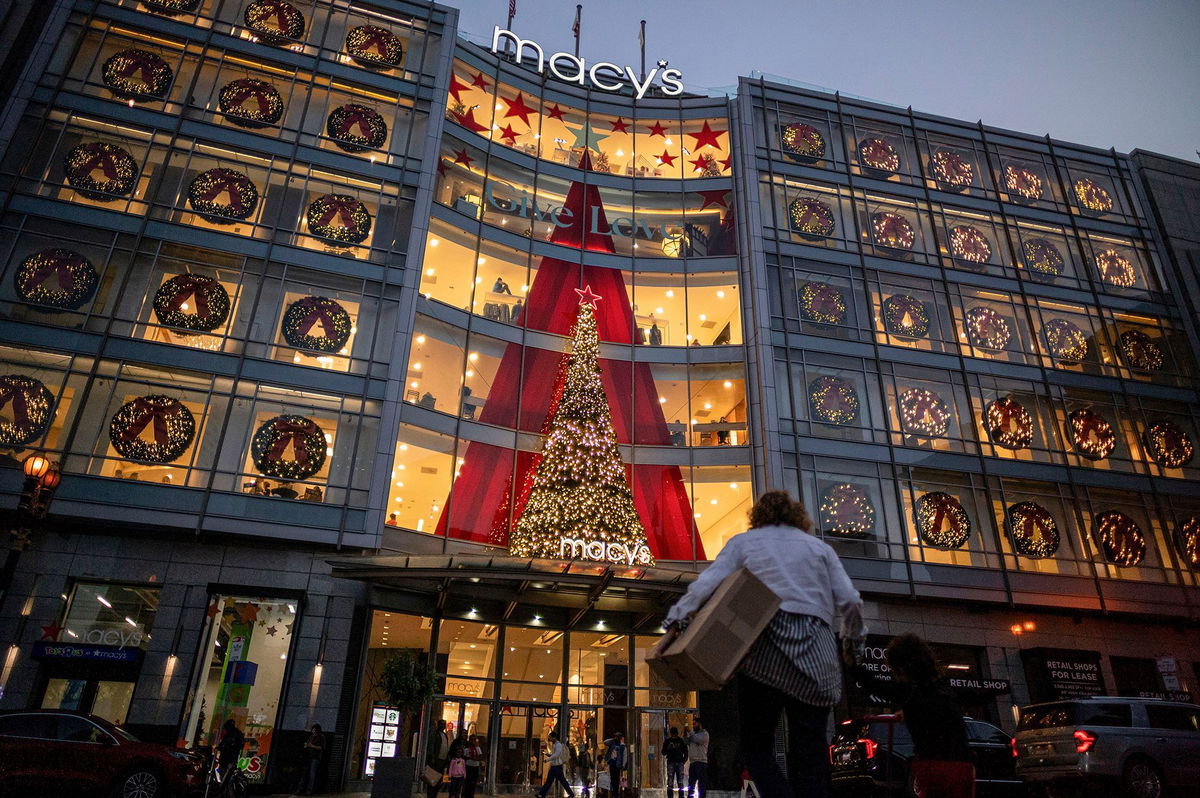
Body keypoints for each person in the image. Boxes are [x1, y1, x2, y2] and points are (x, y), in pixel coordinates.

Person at [663, 490, 865, 798]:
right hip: (817, 654)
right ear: (798, 516)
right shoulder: (819, 549)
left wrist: (676, 619)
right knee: (809, 755)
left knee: (757, 749)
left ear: (758, 517)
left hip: (764, 650)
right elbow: (851, 601)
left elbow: (708, 583)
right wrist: (854, 646)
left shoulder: (744, 543)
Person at [850, 634, 975, 798]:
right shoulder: (942, 688)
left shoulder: (912, 691)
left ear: (902, 668)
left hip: (933, 765)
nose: (894, 676)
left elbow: (876, 686)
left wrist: (852, 664)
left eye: (894, 670)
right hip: (964, 766)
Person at [538, 732, 575, 798]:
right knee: (550, 781)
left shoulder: (558, 745)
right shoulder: (555, 745)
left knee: (561, 781)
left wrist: (547, 760)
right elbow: (554, 755)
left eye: (550, 737)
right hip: (554, 766)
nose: (549, 738)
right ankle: (541, 794)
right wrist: (547, 754)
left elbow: (556, 755)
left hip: (557, 767)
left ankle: (571, 794)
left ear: (554, 737)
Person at [296, 723, 325, 795]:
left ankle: (308, 791)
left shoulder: (321, 737)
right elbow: (308, 744)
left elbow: (322, 748)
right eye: (313, 730)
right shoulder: (311, 736)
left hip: (315, 757)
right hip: (308, 757)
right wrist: (306, 745)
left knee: (311, 773)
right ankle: (300, 790)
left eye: (315, 730)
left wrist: (312, 746)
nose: (314, 731)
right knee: (304, 773)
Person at [427, 719, 453, 798]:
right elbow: (431, 746)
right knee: (432, 779)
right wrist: (433, 758)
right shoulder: (435, 734)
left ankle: (434, 795)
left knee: (438, 780)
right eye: (441, 724)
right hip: (436, 760)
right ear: (438, 725)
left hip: (442, 760)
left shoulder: (444, 735)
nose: (443, 726)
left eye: (444, 724)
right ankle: (430, 795)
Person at [684, 718, 709, 798]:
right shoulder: (693, 734)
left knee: (701, 784)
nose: (693, 726)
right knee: (691, 783)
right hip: (693, 762)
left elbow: (696, 739)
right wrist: (685, 733)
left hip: (701, 762)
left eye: (695, 724)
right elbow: (686, 741)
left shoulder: (704, 734)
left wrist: (689, 731)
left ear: (700, 724)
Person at [662, 726, 688, 798]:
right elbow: (663, 752)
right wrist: (683, 761)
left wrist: (683, 761)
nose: (673, 736)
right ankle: (678, 796)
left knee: (673, 781)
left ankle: (675, 796)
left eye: (674, 734)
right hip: (675, 762)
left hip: (675, 762)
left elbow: (686, 752)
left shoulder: (677, 741)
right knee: (678, 781)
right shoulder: (677, 741)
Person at [215, 718, 244, 783]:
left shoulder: (230, 734)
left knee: (224, 774)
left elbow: (224, 744)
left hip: (226, 758)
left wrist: (219, 748)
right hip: (233, 758)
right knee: (228, 773)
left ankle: (226, 789)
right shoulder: (237, 733)